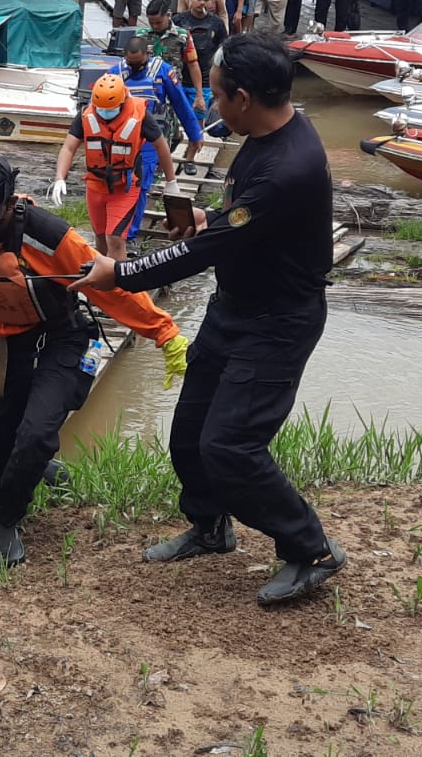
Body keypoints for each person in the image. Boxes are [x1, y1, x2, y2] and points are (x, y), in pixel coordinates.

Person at [71, 32, 347, 605]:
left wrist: (119, 274)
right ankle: (210, 525)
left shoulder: (288, 166)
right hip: (234, 308)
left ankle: (311, 548)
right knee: (189, 434)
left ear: (245, 97)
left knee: (231, 446)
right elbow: (241, 223)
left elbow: (205, 251)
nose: (214, 107)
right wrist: (209, 217)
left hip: (277, 323)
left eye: (218, 96)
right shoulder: (265, 137)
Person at [0, 154, 189, 565]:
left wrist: (163, 332)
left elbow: (109, 286)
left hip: (61, 337)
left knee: (36, 433)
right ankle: (6, 488)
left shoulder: (49, 236)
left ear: (8, 202)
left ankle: (6, 518)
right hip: (10, 338)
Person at [52, 72, 181, 261]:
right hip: (95, 186)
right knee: (100, 236)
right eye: (100, 109)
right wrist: (59, 178)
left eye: (110, 109)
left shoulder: (140, 116)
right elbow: (69, 147)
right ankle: (104, 275)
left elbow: (161, 147)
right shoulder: (86, 115)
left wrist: (171, 181)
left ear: (122, 102)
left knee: (115, 238)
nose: (104, 113)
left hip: (125, 187)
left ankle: (119, 277)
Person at [111, 35, 206, 244]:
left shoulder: (163, 72)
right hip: (121, 141)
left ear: (148, 54)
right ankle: (116, 229)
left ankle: (130, 236)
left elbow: (180, 103)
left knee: (141, 186)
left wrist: (195, 134)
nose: (135, 68)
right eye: (131, 64)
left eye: (139, 63)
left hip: (150, 141)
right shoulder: (114, 74)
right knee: (121, 184)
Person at [139, 0, 205, 116]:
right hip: (146, 92)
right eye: (151, 23)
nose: (155, 26)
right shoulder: (141, 36)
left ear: (168, 15)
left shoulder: (182, 36)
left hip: (172, 92)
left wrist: (199, 95)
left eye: (159, 22)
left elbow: (193, 64)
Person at [174, 0, 229, 111]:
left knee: (200, 117)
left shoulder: (217, 23)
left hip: (206, 82)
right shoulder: (178, 21)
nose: (202, 3)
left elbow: (223, 52)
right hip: (179, 80)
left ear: (212, 1)